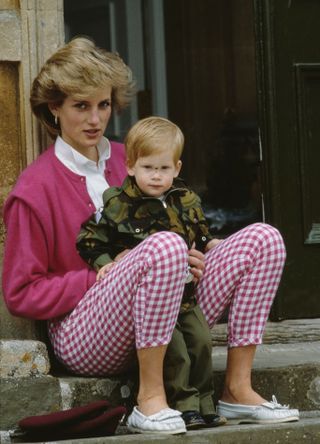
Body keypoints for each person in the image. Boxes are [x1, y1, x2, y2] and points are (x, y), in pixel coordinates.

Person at [2, 37, 299, 436]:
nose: (95, 118)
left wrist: (190, 256)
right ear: (54, 107)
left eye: (103, 104)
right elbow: (21, 292)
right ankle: (150, 399)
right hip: (85, 336)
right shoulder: (34, 189)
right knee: (163, 246)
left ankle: (236, 387)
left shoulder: (135, 159)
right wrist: (101, 275)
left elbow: (176, 223)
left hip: (165, 320)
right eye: (80, 105)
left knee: (264, 238)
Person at [76, 116, 227, 430]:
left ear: (177, 168)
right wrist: (105, 263)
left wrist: (211, 243)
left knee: (201, 342)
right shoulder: (119, 204)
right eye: (148, 168)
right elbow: (89, 238)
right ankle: (184, 405)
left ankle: (205, 402)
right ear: (130, 166)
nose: (156, 177)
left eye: (164, 169)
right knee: (177, 352)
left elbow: (198, 233)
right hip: (153, 303)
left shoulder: (186, 201)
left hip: (186, 294)